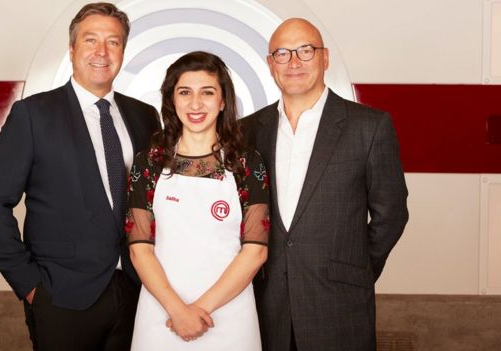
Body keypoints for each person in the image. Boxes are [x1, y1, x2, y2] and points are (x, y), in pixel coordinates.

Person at [0, 3, 160, 350]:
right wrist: (29, 284)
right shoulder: (33, 115)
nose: (102, 52)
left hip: (137, 291)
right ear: (72, 49)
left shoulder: (145, 117)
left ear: (123, 50)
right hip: (61, 297)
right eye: (91, 41)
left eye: (113, 42)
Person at [241, 18, 409, 351]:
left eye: (305, 50)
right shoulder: (246, 131)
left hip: (339, 302)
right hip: (264, 304)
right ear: (270, 63)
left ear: (325, 58)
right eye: (283, 53)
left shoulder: (368, 126)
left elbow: (391, 215)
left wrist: (355, 269)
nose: (294, 62)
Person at [126, 51, 269, 350]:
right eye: (184, 92)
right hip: (161, 313)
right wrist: (178, 311)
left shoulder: (246, 163)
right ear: (171, 100)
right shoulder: (149, 162)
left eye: (207, 92)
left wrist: (198, 311)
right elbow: (140, 249)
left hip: (229, 315)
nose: (195, 104)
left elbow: (255, 251)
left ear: (223, 101)